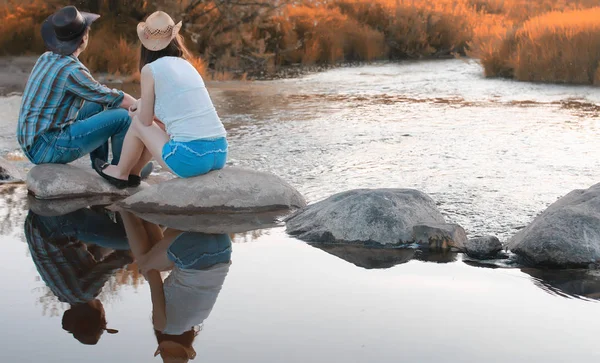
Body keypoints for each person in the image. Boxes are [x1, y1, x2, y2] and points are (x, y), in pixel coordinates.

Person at [17, 6, 149, 187]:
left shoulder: (46, 57)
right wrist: (144, 109)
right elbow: (116, 98)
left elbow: (100, 95)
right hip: (48, 147)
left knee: (98, 106)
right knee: (123, 117)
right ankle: (123, 171)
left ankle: (101, 165)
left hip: (33, 142)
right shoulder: (72, 71)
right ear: (84, 39)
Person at [95, 11, 227, 189]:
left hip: (191, 159)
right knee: (158, 122)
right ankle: (134, 174)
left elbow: (145, 120)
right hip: (220, 152)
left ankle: (120, 173)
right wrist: (142, 105)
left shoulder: (150, 69)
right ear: (174, 38)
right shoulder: (187, 65)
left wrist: (138, 110)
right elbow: (174, 110)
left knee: (138, 124)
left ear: (146, 42)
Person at [120, 212, 231, 362]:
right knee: (145, 264)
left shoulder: (198, 319)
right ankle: (124, 209)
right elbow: (153, 277)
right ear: (161, 348)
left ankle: (144, 210)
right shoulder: (163, 326)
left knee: (161, 261)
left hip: (223, 245)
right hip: (195, 251)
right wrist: (143, 270)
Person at [25, 208, 132, 345]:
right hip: (36, 221)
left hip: (54, 224)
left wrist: (144, 259)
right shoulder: (63, 294)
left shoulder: (84, 293)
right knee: (105, 244)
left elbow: (121, 259)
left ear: (100, 317)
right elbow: (98, 255)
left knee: (128, 240)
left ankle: (126, 204)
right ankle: (106, 206)